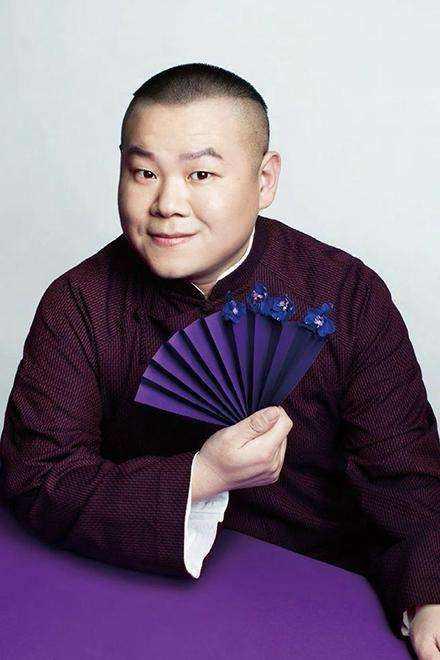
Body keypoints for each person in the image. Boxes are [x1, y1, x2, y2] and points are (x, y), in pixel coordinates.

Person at [1, 62, 439, 656]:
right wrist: (202, 476)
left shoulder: (347, 293)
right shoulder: (78, 302)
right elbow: (38, 478)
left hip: (313, 596)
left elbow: (405, 477)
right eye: (143, 173)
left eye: (201, 174)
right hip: (133, 587)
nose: (167, 203)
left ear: (265, 180)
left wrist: (428, 596)